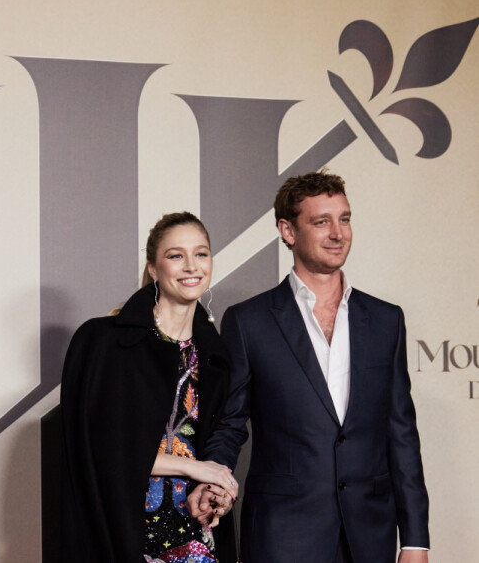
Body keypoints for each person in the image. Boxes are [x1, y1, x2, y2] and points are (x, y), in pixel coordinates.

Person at [188, 171, 430, 563]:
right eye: (322, 222)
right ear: (287, 230)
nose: (338, 233)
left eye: (345, 219)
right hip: (282, 534)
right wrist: (214, 479)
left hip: (370, 536)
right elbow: (230, 422)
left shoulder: (387, 320)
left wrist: (416, 540)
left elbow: (401, 434)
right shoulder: (250, 321)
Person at [61, 212, 238, 562]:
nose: (191, 266)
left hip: (195, 532)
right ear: (154, 269)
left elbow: (219, 438)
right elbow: (101, 451)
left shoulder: (216, 354)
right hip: (126, 529)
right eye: (176, 255)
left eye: (201, 254)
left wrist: (216, 487)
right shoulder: (104, 343)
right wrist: (194, 467)